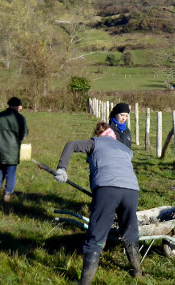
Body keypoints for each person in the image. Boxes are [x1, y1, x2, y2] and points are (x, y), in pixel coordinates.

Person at [53, 121, 142, 283]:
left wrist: (62, 168)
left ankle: (84, 282)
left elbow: (71, 145)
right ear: (114, 136)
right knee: (129, 230)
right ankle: (137, 271)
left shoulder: (95, 142)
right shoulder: (126, 150)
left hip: (107, 188)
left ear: (99, 134)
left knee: (97, 234)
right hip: (132, 190)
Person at [0, 96, 28, 205]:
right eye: (20, 106)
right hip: (12, 150)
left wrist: (0, 138)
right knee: (11, 171)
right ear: (17, 106)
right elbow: (24, 134)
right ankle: (7, 193)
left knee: (1, 168)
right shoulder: (20, 118)